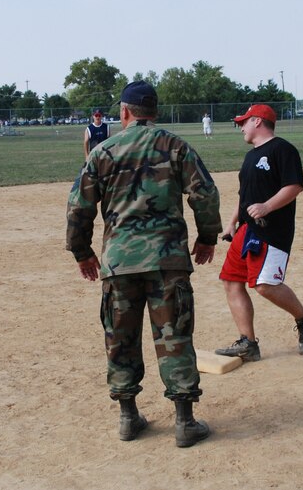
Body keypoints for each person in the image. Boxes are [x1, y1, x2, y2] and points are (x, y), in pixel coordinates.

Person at [66, 81, 222, 447]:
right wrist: (208, 236)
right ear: (154, 112)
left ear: (124, 112)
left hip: (120, 262)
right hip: (167, 260)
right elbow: (205, 193)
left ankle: (128, 417)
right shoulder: (175, 145)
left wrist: (82, 252)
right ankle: (185, 422)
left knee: (120, 338)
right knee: (174, 336)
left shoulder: (103, 151)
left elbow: (79, 206)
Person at [215, 104, 303, 362]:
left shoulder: (282, 149)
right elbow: (245, 197)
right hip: (246, 230)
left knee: (264, 285)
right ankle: (248, 343)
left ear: (258, 121)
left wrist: (267, 206)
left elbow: (294, 186)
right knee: (231, 281)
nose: (240, 127)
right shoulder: (251, 157)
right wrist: (232, 223)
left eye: (244, 122)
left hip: (271, 231)